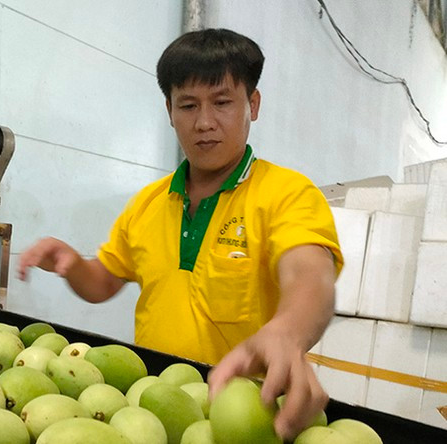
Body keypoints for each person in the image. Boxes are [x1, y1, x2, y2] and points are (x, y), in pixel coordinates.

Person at [17, 28, 343, 440]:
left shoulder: (287, 194)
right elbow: (104, 281)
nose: (204, 122)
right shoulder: (148, 203)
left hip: (245, 416)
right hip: (151, 407)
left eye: (222, 102)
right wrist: (72, 265)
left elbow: (310, 274)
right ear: (169, 110)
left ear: (253, 104)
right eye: (188, 105)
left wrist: (287, 330)